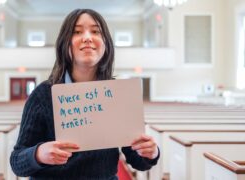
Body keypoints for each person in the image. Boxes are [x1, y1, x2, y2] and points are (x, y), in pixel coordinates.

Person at [10, 8, 159, 179]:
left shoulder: (119, 95)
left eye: (96, 31)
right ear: (64, 43)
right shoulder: (42, 95)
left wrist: (151, 152)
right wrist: (38, 154)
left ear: (106, 44)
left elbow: (137, 161)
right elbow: (17, 163)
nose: (87, 37)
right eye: (76, 32)